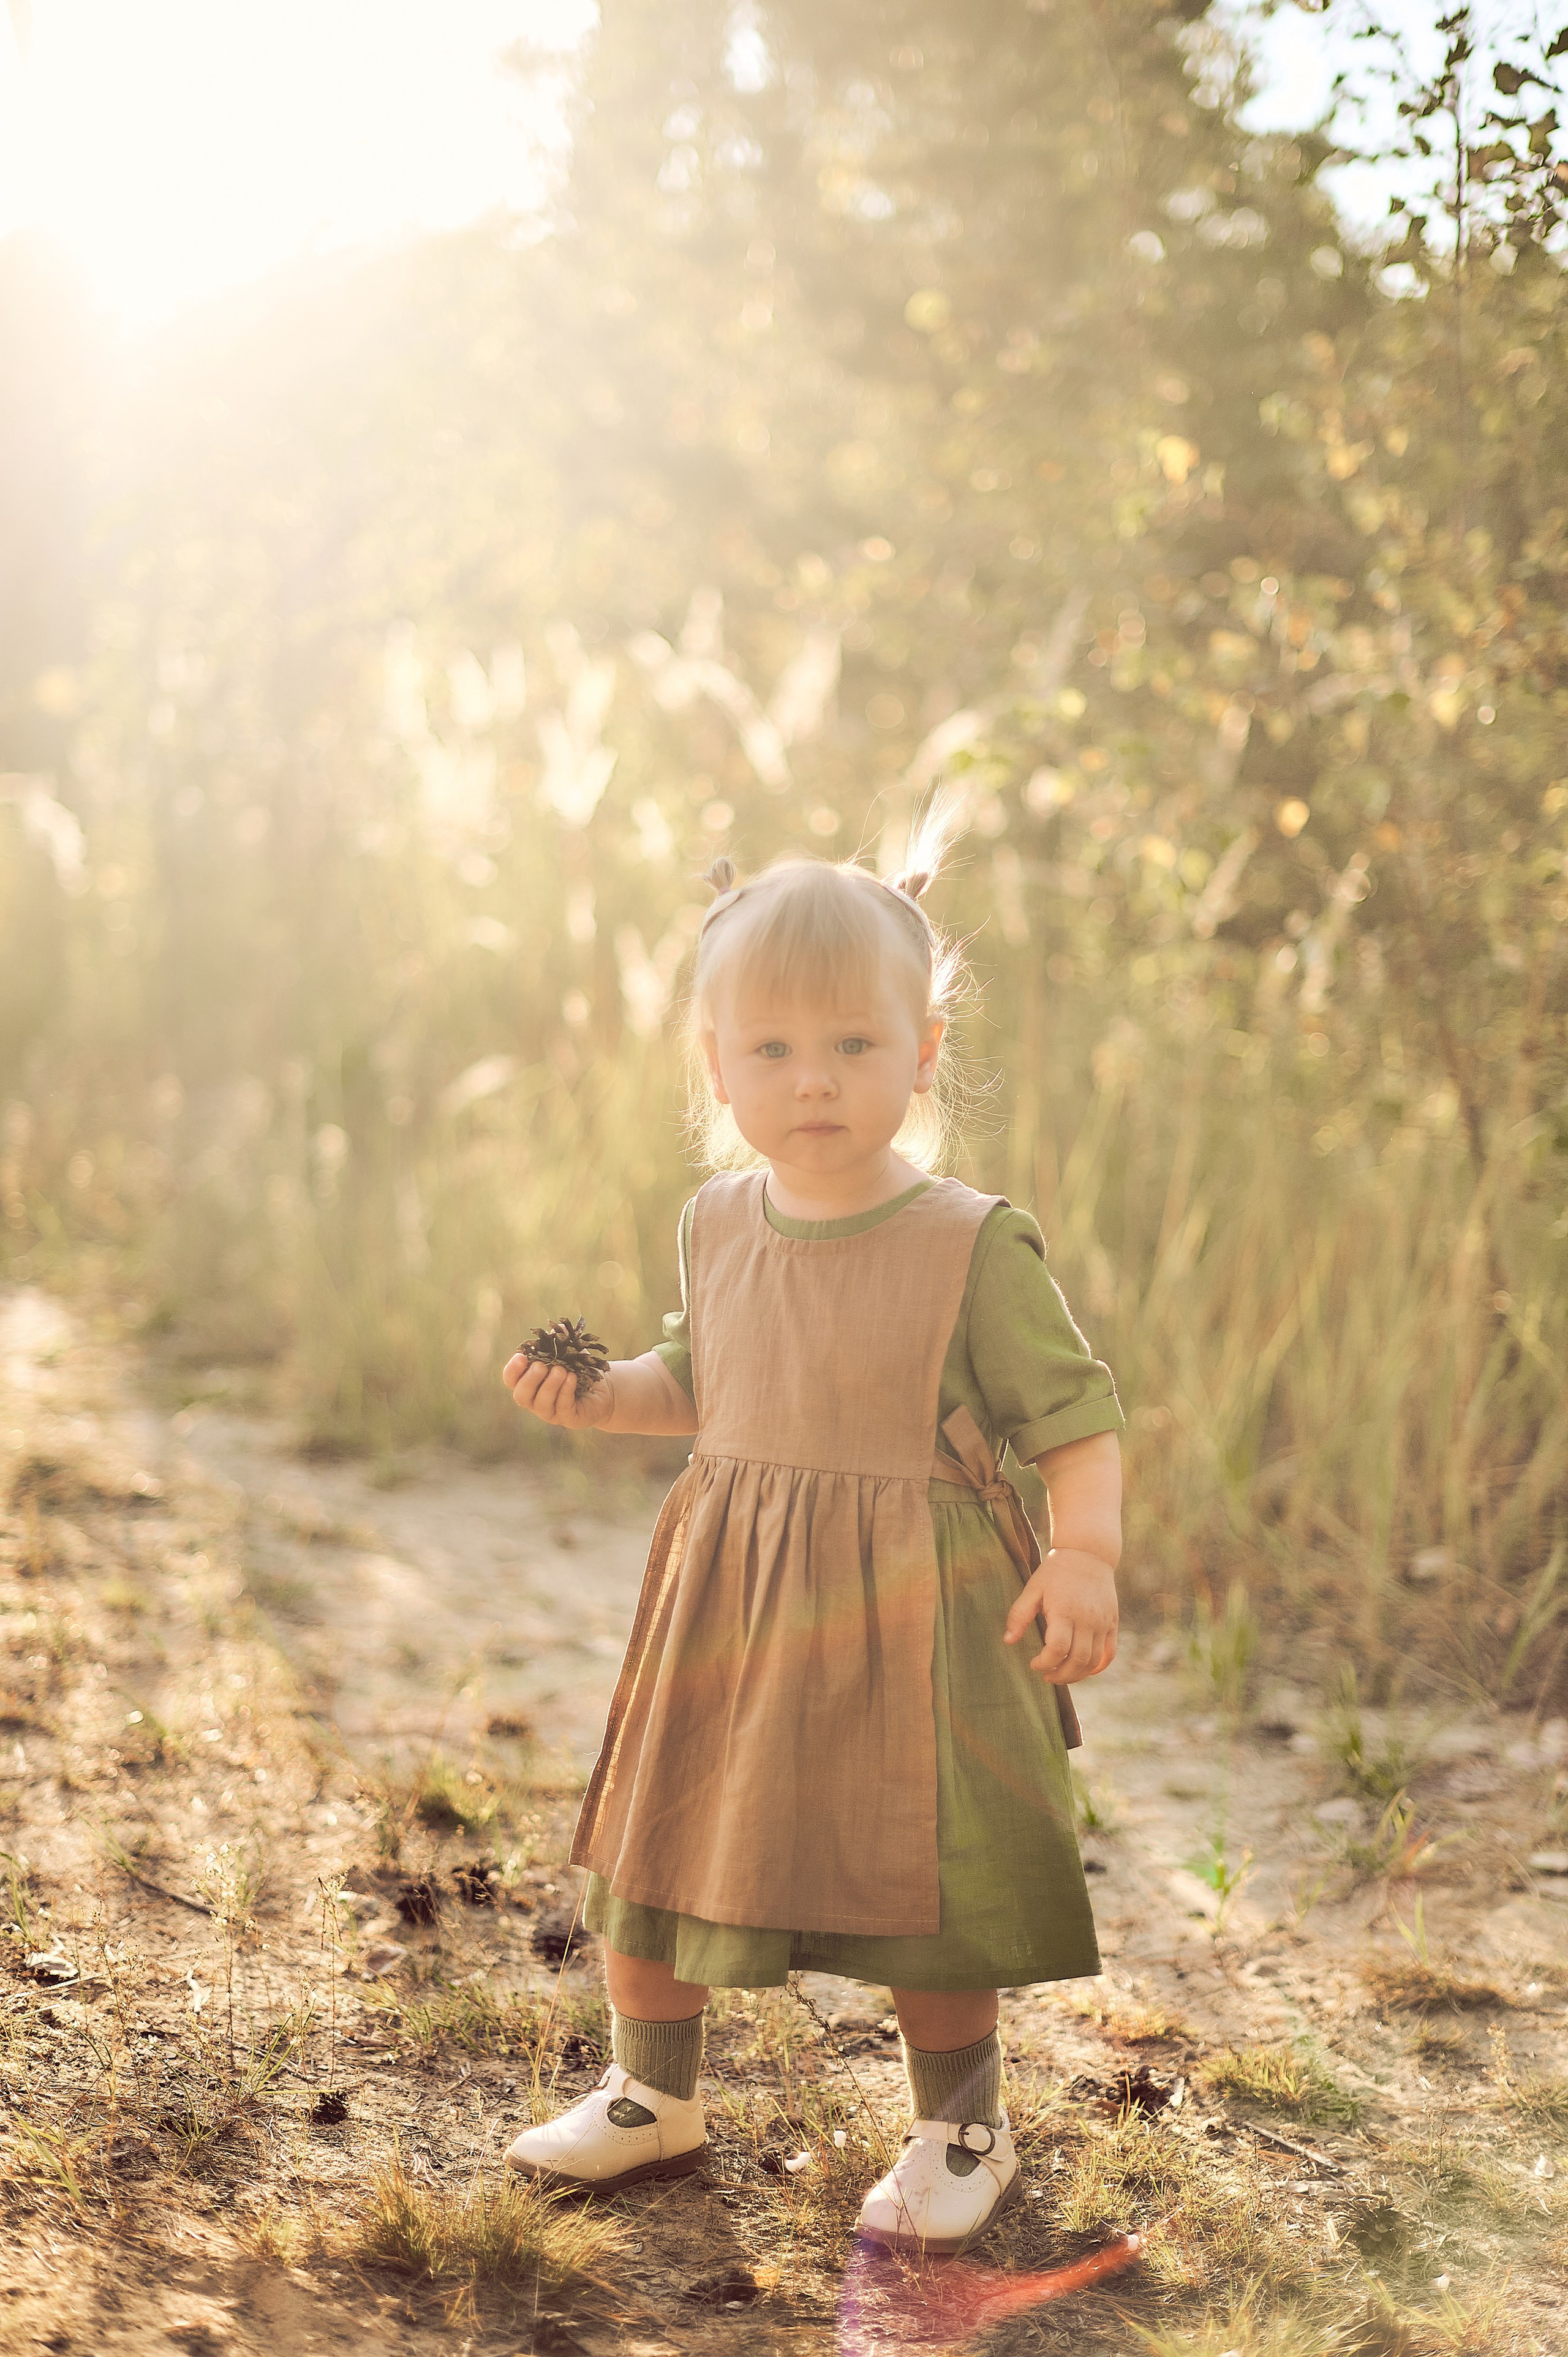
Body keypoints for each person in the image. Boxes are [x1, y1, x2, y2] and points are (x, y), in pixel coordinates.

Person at [500, 835, 1123, 2257]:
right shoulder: (716, 1221)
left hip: (919, 1613)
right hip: (731, 1598)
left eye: (853, 1040)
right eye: (771, 1045)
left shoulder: (972, 1243)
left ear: (923, 1050)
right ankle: (649, 2092)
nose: (814, 1076)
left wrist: (1079, 1554)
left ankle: (959, 2122)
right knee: (660, 1839)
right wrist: (598, 1398)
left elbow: (1075, 1420)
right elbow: (698, 1379)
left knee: (928, 1878)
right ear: (717, 1065)